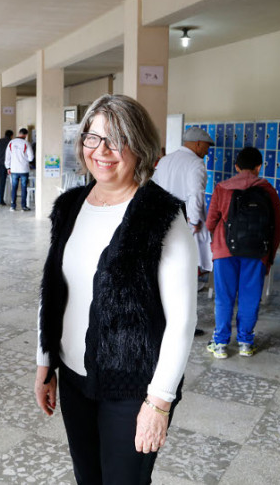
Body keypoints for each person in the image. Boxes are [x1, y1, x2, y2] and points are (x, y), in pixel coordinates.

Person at [35, 94, 197, 484]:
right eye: (93, 138)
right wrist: (45, 364)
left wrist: (159, 402)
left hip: (133, 388)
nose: (102, 151)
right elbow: (53, 290)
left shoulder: (162, 215)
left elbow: (182, 320)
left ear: (139, 146)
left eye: (117, 140)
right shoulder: (69, 206)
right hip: (74, 378)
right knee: (87, 478)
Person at [204, 147, 280, 358]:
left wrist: (216, 244)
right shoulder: (268, 190)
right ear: (259, 167)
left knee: (224, 297)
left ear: (237, 167)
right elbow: (276, 227)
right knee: (250, 297)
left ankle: (220, 343)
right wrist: (270, 257)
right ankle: (245, 343)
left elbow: (210, 222)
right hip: (257, 252)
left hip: (224, 251)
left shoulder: (222, 188)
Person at [152, 126, 215, 273]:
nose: (207, 152)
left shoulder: (165, 160)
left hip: (164, 218)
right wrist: (194, 221)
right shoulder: (196, 163)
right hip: (186, 221)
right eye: (206, 147)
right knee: (188, 263)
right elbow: (196, 194)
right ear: (198, 143)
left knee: (168, 259)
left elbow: (154, 189)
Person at [5, 128, 34, 212]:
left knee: (14, 187)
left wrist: (8, 167)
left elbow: (7, 156)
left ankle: (13, 206)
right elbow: (31, 158)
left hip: (14, 169)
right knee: (24, 188)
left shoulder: (11, 143)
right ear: (26, 135)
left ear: (19, 133)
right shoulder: (26, 143)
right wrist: (25, 159)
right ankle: (23, 206)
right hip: (24, 169)